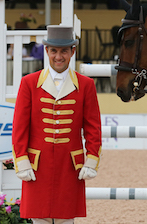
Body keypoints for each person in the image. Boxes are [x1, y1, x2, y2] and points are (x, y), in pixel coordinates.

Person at [12, 25, 102, 224]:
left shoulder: (86, 85)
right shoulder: (29, 83)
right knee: (39, 218)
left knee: (66, 219)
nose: (58, 56)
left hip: (70, 166)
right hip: (37, 166)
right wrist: (21, 160)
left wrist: (92, 158)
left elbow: (93, 127)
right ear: (47, 51)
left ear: (73, 51)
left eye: (63, 51)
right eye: (54, 51)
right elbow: (19, 128)